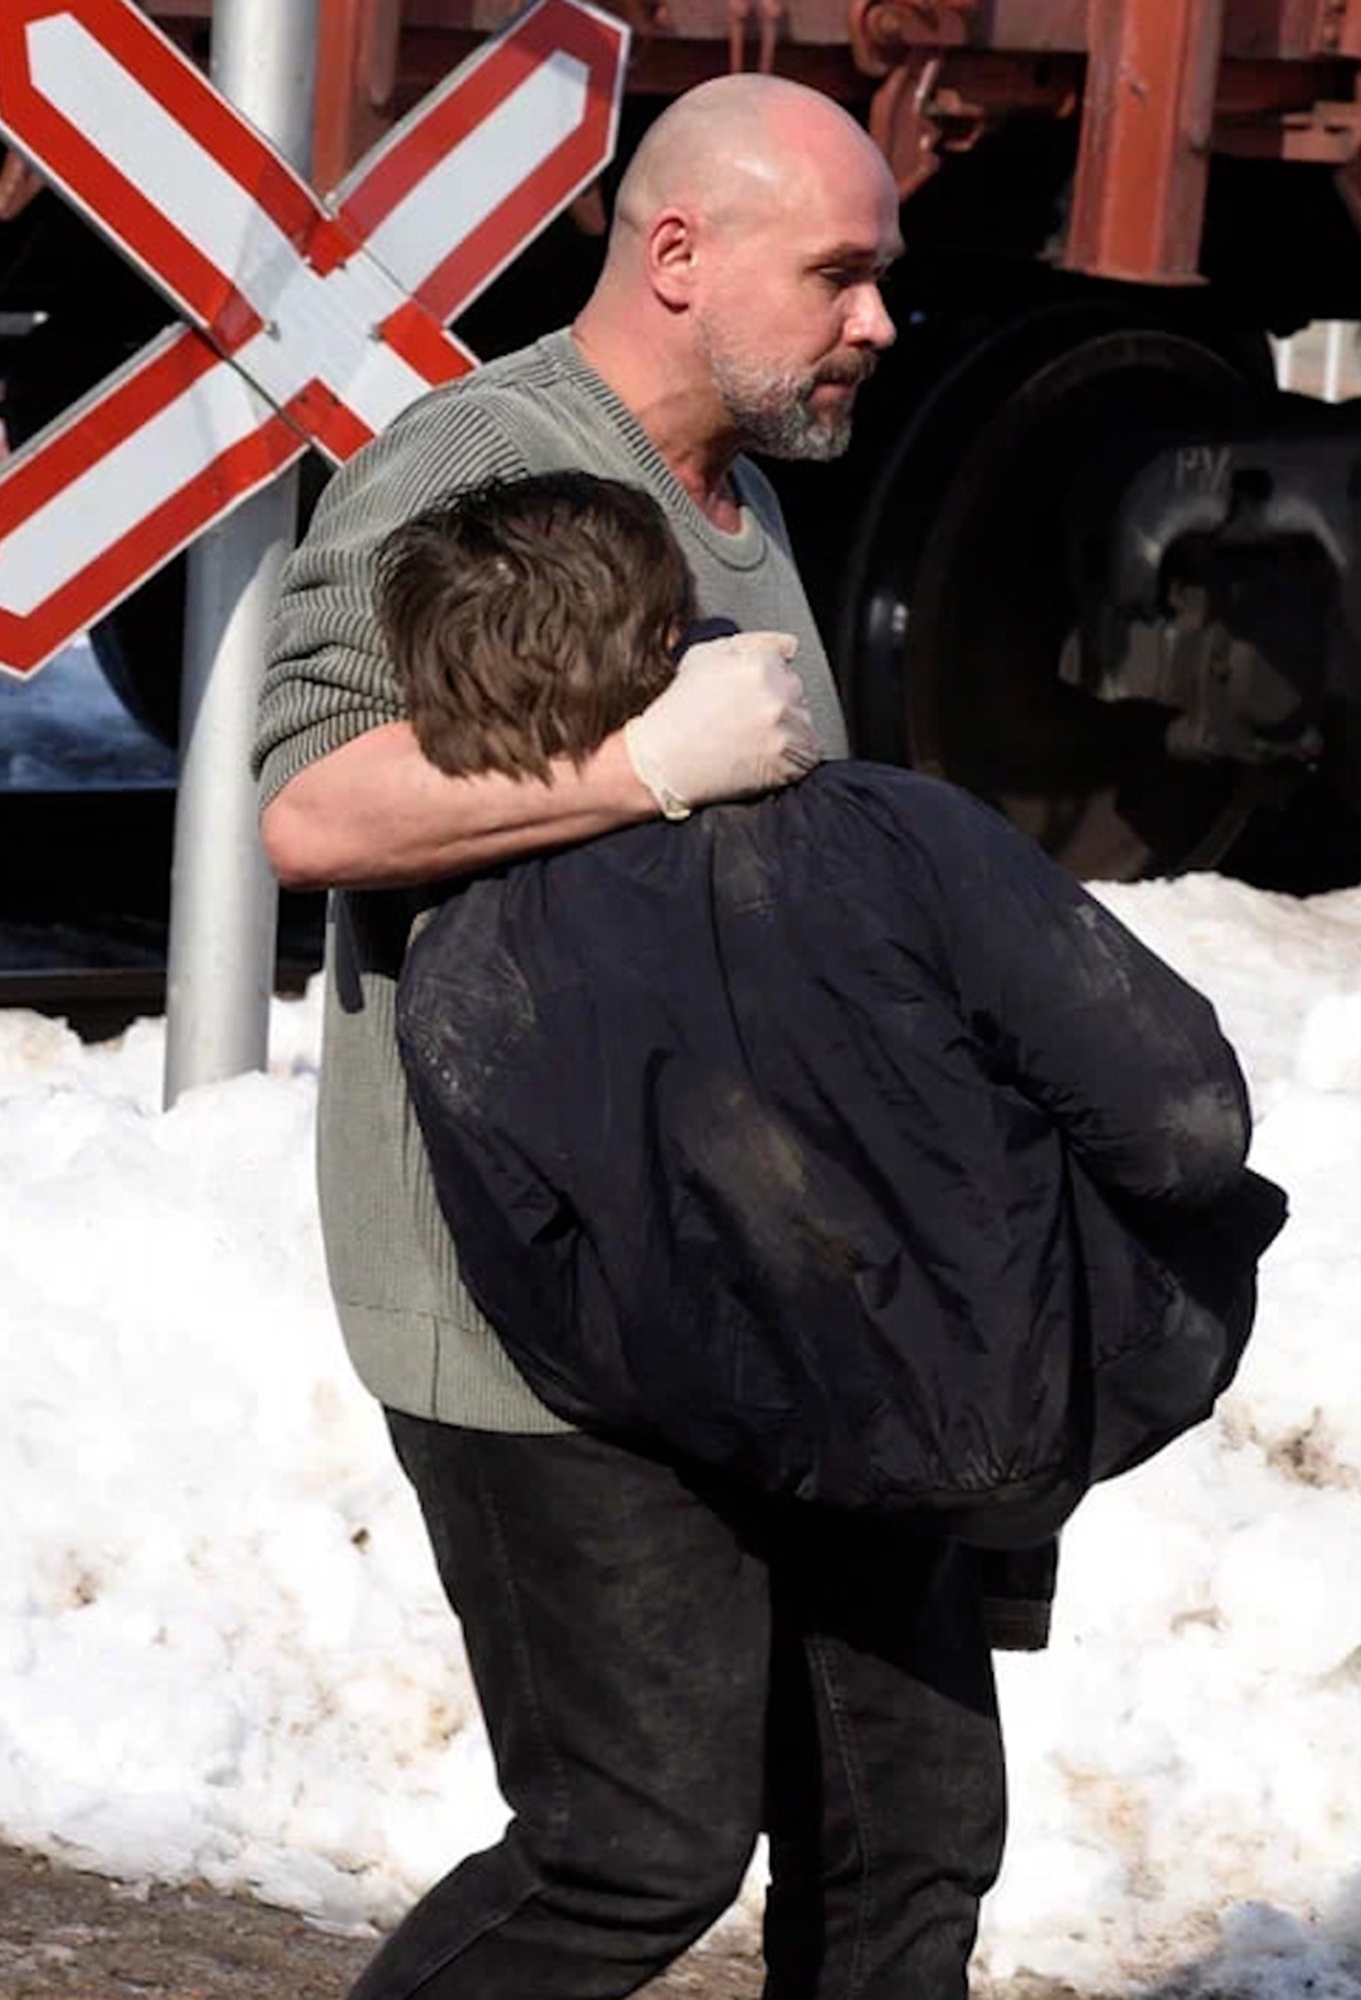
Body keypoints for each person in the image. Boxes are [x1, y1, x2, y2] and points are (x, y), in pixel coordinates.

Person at [250, 73, 942, 2000]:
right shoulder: (478, 464)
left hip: (756, 1280)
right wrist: (644, 762)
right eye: (840, 275)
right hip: (530, 1310)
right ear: (680, 255)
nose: (880, 322)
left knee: (900, 1829)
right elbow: (312, 807)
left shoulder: (744, 501)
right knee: (632, 1847)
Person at [378, 467, 1280, 1553]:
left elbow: (556, 1327)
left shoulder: (458, 978)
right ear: (671, 644)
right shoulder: (899, 832)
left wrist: (744, 1397)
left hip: (754, 1468)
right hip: (1065, 1391)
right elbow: (1186, 1130)